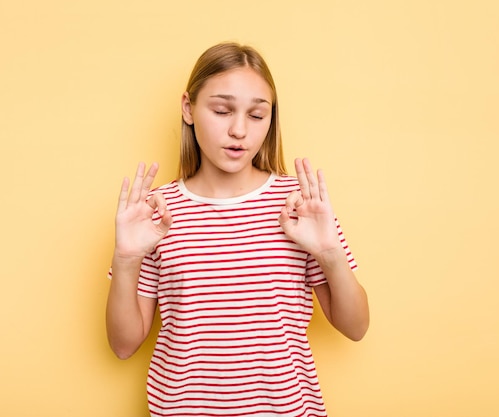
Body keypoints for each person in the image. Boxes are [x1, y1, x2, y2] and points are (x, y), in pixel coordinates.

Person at [106, 42, 369, 417]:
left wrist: (329, 254)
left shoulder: (300, 204)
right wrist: (127, 259)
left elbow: (356, 328)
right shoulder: (154, 212)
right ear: (188, 108)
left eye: (257, 115)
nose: (239, 130)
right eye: (221, 110)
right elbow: (123, 345)